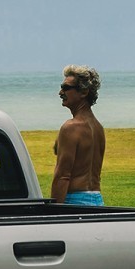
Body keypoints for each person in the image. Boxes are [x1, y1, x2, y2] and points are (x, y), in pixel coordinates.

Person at [51, 64, 105, 205]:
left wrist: (54, 212)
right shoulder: (98, 128)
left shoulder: (71, 127)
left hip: (75, 200)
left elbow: (63, 176)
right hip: (97, 200)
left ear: (84, 92)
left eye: (66, 88)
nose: (61, 92)